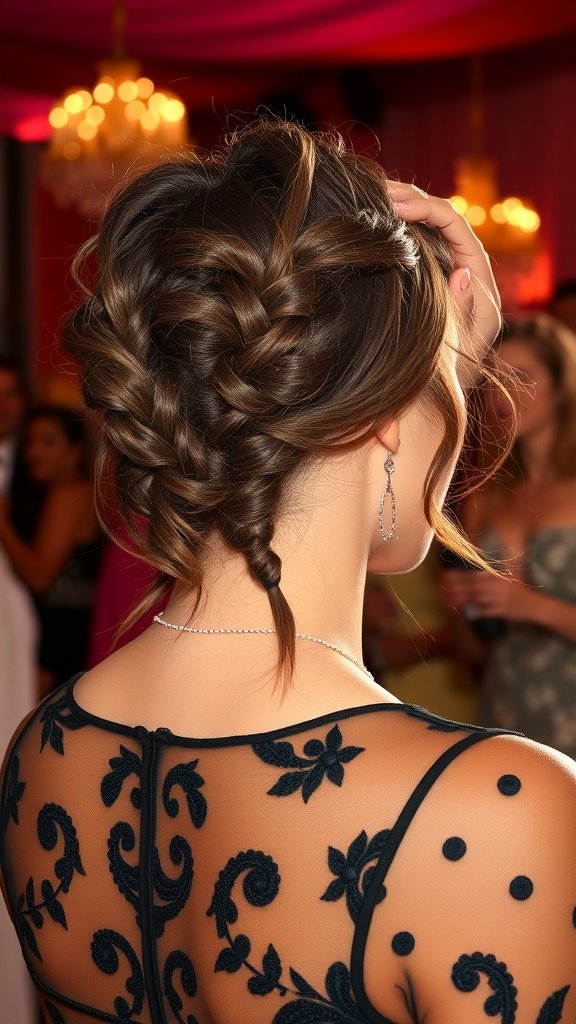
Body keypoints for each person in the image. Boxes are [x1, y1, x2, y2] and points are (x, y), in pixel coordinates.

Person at [1, 122, 574, 1024]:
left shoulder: (43, 752)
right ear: (390, 409)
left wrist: (427, 375)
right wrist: (446, 373)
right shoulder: (494, 814)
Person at [442, 314, 576, 759]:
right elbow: (472, 654)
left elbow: (521, 603)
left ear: (562, 387)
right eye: (496, 379)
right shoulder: (485, 496)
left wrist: (532, 605)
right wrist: (461, 609)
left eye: (523, 376)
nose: (505, 392)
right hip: (507, 709)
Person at [0, 405, 102, 696]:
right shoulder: (62, 492)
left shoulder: (68, 493)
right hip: (64, 631)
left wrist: (2, 523)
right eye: (30, 441)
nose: (35, 451)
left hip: (61, 637)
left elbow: (40, 576)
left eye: (48, 441)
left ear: (74, 450)